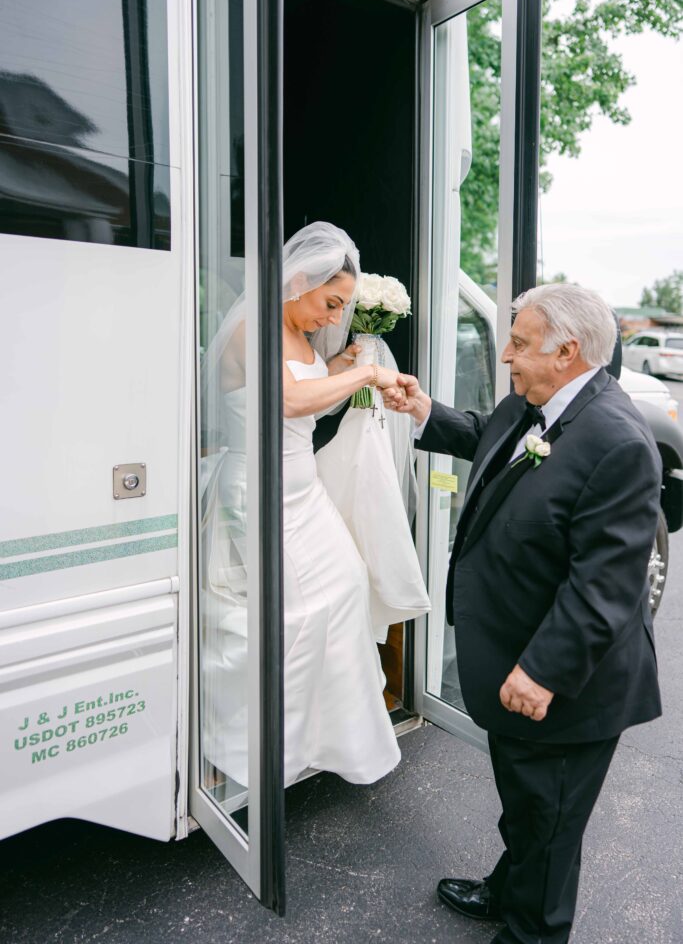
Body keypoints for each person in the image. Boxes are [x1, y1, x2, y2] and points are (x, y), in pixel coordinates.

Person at [384, 283, 662, 944]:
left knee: (549, 823)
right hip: (514, 654)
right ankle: (508, 888)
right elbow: (491, 440)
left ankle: (530, 929)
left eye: (517, 343)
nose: (504, 355)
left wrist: (540, 671)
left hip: (568, 687)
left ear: (566, 352)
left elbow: (603, 586)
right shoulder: (531, 401)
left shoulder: (618, 443)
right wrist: (425, 412)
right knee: (527, 808)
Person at [201, 221, 417, 789]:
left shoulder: (298, 337)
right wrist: (368, 372)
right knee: (301, 612)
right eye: (330, 303)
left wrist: (342, 368)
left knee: (346, 585)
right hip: (263, 490)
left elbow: (307, 408)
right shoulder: (251, 329)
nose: (332, 317)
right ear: (297, 280)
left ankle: (329, 737)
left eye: (342, 307)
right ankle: (264, 747)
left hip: (303, 486)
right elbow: (289, 398)